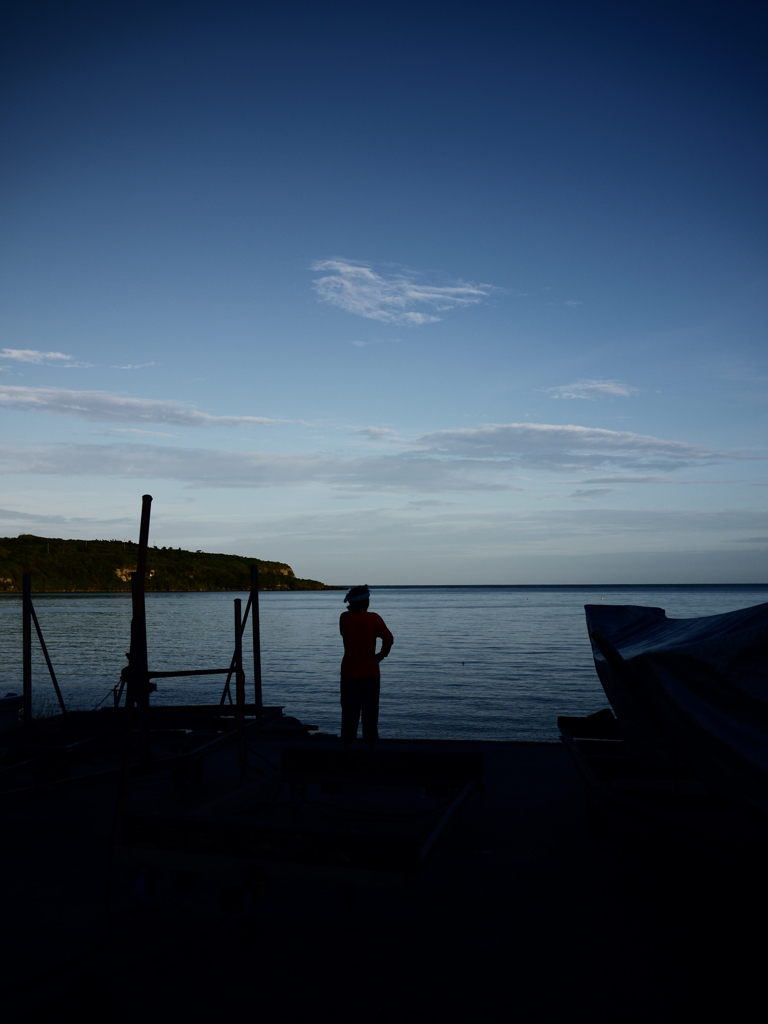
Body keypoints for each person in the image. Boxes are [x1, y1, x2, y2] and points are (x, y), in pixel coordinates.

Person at [339, 584, 393, 750]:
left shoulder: (344, 618)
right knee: (370, 715)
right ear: (365, 602)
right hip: (370, 673)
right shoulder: (374, 618)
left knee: (349, 715)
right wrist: (380, 656)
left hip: (348, 673)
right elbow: (389, 638)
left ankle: (347, 749)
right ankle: (370, 749)